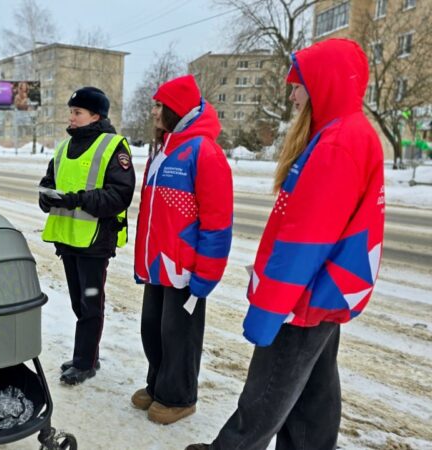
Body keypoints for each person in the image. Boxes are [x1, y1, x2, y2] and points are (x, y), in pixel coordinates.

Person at [186, 38, 385, 450]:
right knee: (313, 394)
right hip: (324, 290)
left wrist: (269, 308)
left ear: (323, 86)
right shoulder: (346, 133)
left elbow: (304, 240)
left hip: (304, 295)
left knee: (266, 394)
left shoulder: (336, 143)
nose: (292, 96)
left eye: (298, 87)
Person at [132, 75, 233, 425]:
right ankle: (158, 385)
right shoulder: (163, 149)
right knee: (153, 329)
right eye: (155, 105)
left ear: (177, 109)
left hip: (185, 268)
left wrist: (207, 273)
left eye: (160, 106)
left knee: (180, 336)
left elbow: (217, 220)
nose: (154, 111)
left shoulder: (204, 151)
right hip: (158, 264)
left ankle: (179, 397)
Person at [39, 86, 135, 385]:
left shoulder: (114, 147)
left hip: (95, 241)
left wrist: (76, 199)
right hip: (68, 240)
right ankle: (84, 354)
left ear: (96, 115)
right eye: (71, 111)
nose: (72, 117)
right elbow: (48, 181)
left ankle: (86, 362)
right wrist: (46, 197)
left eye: (77, 112)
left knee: (91, 303)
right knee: (79, 304)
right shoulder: (63, 148)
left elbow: (119, 195)